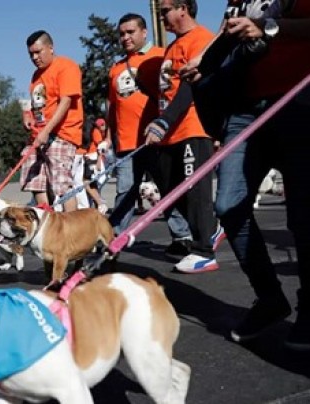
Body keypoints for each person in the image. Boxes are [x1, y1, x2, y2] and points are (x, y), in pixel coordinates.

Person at [181, 0, 310, 350]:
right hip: (246, 106)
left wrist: (272, 28)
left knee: (303, 214)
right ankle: (270, 299)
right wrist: (206, 64)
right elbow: (228, 32)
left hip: (306, 97)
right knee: (229, 204)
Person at [106, 12, 195, 253]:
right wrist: (108, 138)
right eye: (122, 33)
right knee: (125, 191)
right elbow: (113, 106)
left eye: (130, 32)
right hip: (126, 141)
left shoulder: (160, 56)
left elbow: (173, 92)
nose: (125, 38)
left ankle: (183, 236)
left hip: (156, 139)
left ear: (144, 32)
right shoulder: (115, 69)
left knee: (166, 187)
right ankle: (113, 239)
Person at [141, 0, 219, 273]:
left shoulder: (202, 39)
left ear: (183, 8)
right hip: (168, 134)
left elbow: (190, 87)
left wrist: (164, 120)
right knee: (170, 191)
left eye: (165, 11)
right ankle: (212, 226)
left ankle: (204, 250)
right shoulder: (172, 47)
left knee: (195, 190)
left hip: (192, 127)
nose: (162, 17)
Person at [21, 30, 83, 212]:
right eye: (31, 54)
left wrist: (47, 130)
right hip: (38, 136)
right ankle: (46, 218)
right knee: (34, 180)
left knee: (61, 185)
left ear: (50, 48)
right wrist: (29, 117)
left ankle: (72, 231)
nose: (34, 57)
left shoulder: (66, 66)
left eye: (38, 52)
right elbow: (39, 105)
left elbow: (66, 101)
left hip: (61, 134)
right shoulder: (36, 76)